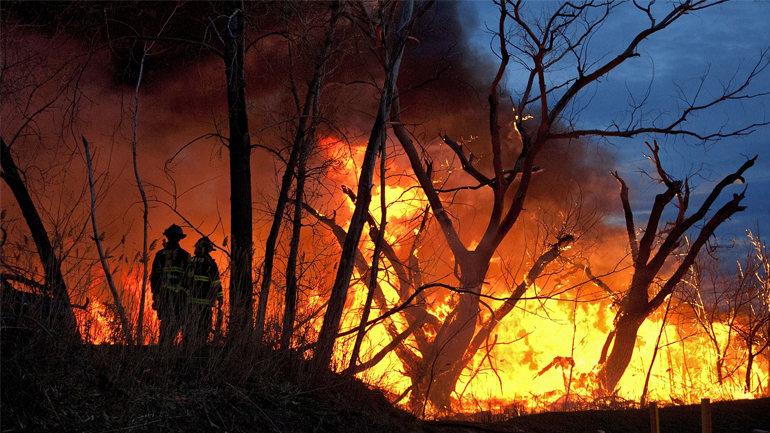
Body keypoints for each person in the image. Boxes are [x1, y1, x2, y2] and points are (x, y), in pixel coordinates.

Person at [150, 224, 190, 346]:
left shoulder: (160, 254)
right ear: (180, 238)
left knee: (166, 323)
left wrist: (156, 294)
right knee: (180, 321)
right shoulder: (185, 255)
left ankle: (164, 347)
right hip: (180, 296)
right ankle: (176, 349)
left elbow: (154, 277)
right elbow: (189, 278)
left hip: (165, 295)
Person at [186, 236, 222, 346]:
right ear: (208, 249)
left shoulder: (190, 262)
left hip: (190, 302)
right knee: (204, 326)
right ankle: (200, 345)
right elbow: (216, 282)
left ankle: (189, 346)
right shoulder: (210, 263)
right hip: (205, 303)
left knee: (190, 326)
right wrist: (220, 297)